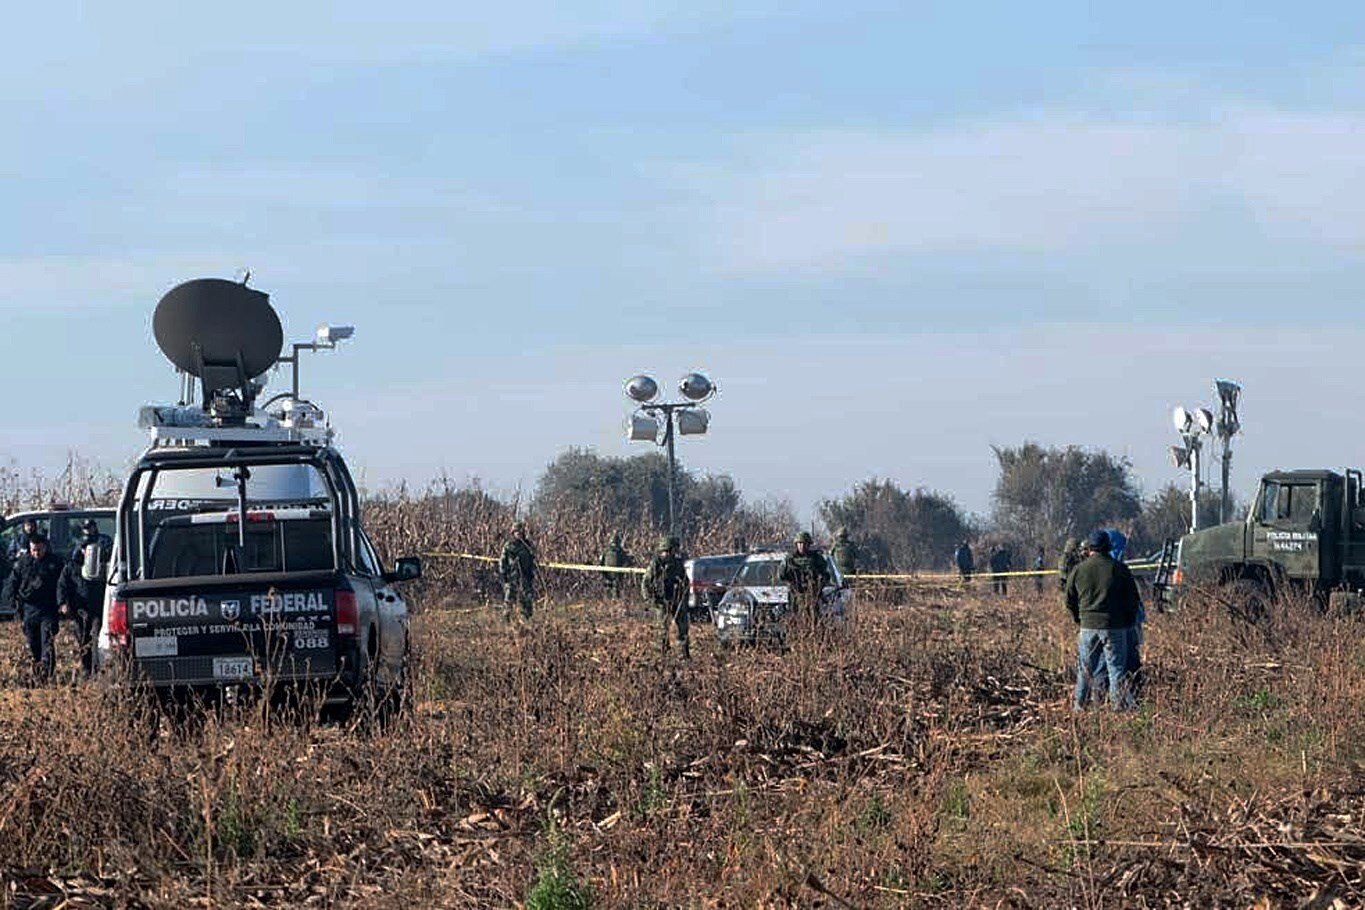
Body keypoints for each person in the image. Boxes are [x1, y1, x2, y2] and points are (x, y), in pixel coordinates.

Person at [1064, 530, 1142, 711]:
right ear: (1108, 547)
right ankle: (1118, 711)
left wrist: (1079, 618)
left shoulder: (1079, 570)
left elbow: (1069, 599)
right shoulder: (1119, 569)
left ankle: (1078, 708)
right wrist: (1127, 621)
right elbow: (1132, 599)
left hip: (1087, 627)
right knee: (1116, 671)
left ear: (1089, 548)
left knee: (1085, 671)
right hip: (1115, 627)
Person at [2, 533, 65, 683]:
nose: (36, 553)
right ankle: (38, 671)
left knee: (47, 641)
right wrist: (12, 601)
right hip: (29, 609)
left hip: (48, 608)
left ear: (45, 547)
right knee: (33, 642)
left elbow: (63, 584)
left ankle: (47, 673)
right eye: (33, 550)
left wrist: (63, 602)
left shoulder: (55, 563)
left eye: (39, 550)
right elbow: (12, 583)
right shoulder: (23, 563)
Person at [58, 519, 112, 677]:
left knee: (97, 637)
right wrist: (62, 603)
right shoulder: (72, 567)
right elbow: (62, 585)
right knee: (83, 638)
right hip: (80, 608)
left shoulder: (104, 553)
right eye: (84, 549)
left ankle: (98, 667)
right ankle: (87, 669)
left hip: (99, 605)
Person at [641, 535, 689, 658]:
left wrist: (683, 599)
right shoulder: (656, 564)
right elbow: (646, 583)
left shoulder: (677, 564)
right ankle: (663, 654)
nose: (667, 554)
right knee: (662, 629)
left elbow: (685, 582)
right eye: (666, 551)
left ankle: (683, 654)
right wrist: (650, 600)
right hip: (661, 600)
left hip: (676, 600)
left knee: (682, 627)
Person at [779, 531, 831, 623]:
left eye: (804, 543)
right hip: (795, 595)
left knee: (813, 621)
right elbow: (781, 576)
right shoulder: (789, 559)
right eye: (799, 543)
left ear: (808, 544)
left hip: (812, 595)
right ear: (796, 544)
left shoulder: (816, 558)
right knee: (796, 620)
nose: (801, 546)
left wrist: (818, 586)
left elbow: (826, 575)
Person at [499, 521, 536, 621]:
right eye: (516, 532)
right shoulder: (509, 545)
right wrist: (503, 574)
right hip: (512, 575)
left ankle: (526, 618)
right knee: (509, 597)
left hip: (525, 575)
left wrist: (533, 571)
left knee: (526, 597)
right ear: (513, 533)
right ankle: (507, 617)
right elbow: (503, 561)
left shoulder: (527, 545)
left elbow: (533, 559)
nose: (518, 534)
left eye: (520, 532)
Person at [600, 530, 631, 598]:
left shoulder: (605, 551)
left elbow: (600, 562)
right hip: (616, 576)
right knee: (615, 593)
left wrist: (603, 573)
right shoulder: (620, 551)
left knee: (608, 592)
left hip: (607, 576)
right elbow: (626, 562)